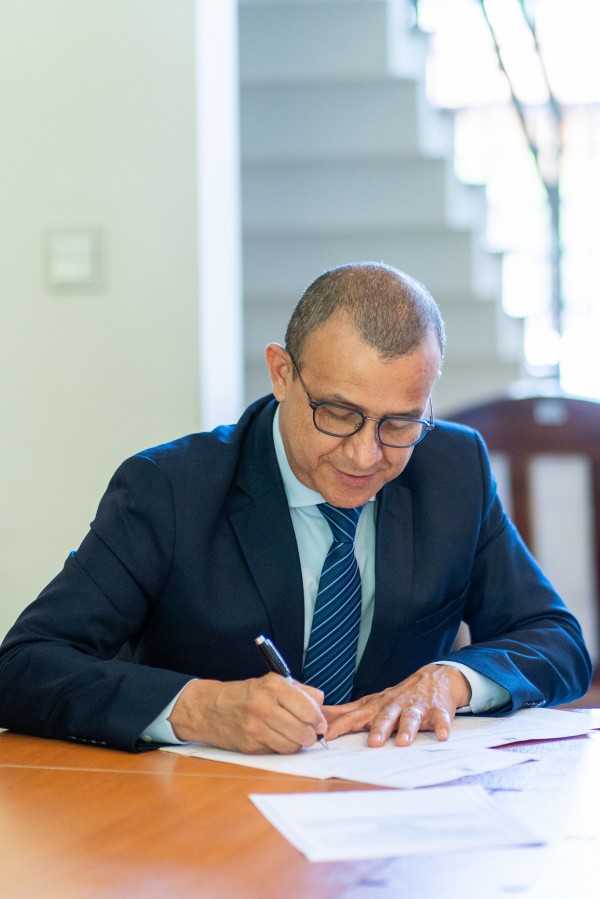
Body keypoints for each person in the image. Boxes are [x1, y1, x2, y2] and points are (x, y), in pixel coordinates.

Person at [0, 262, 591, 754]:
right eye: (338, 413)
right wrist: (198, 708)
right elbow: (23, 667)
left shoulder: (452, 468)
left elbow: (556, 639)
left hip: (392, 813)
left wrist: (454, 681)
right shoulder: (169, 488)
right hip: (200, 823)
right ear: (282, 374)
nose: (365, 455)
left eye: (400, 422)